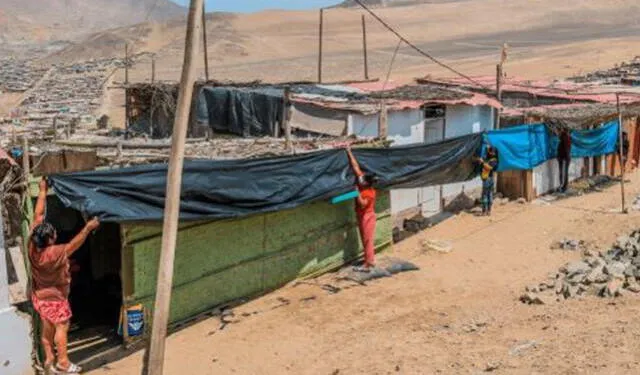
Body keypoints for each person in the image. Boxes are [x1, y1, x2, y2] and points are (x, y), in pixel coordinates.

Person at [29, 177, 100, 374]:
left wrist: (43, 190)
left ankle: (49, 360)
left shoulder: (32, 246)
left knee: (47, 328)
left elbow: (38, 214)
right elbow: (73, 245)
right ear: (50, 239)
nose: (55, 235)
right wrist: (87, 228)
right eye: (53, 234)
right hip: (56, 298)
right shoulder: (55, 253)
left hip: (40, 297)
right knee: (62, 326)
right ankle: (63, 362)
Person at [346, 148, 378, 272]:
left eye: (363, 179)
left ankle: (369, 264)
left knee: (367, 239)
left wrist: (356, 193)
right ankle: (369, 261)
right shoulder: (362, 182)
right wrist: (349, 151)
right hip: (361, 215)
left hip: (368, 216)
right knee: (365, 238)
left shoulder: (370, 193)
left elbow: (363, 204)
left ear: (367, 183)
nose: (360, 178)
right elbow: (355, 167)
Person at [476, 146, 499, 216]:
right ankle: (488, 211)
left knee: (485, 195)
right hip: (490, 179)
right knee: (489, 194)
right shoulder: (491, 159)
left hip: (487, 179)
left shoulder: (493, 160)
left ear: (493, 152)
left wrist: (482, 163)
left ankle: (484, 211)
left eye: (490, 151)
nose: (488, 152)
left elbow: (489, 168)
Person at [557, 128, 572, 192]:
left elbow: (566, 149)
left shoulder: (565, 138)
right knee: (564, 172)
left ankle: (563, 186)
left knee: (563, 172)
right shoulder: (567, 138)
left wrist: (565, 157)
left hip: (564, 157)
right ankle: (563, 186)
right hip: (565, 157)